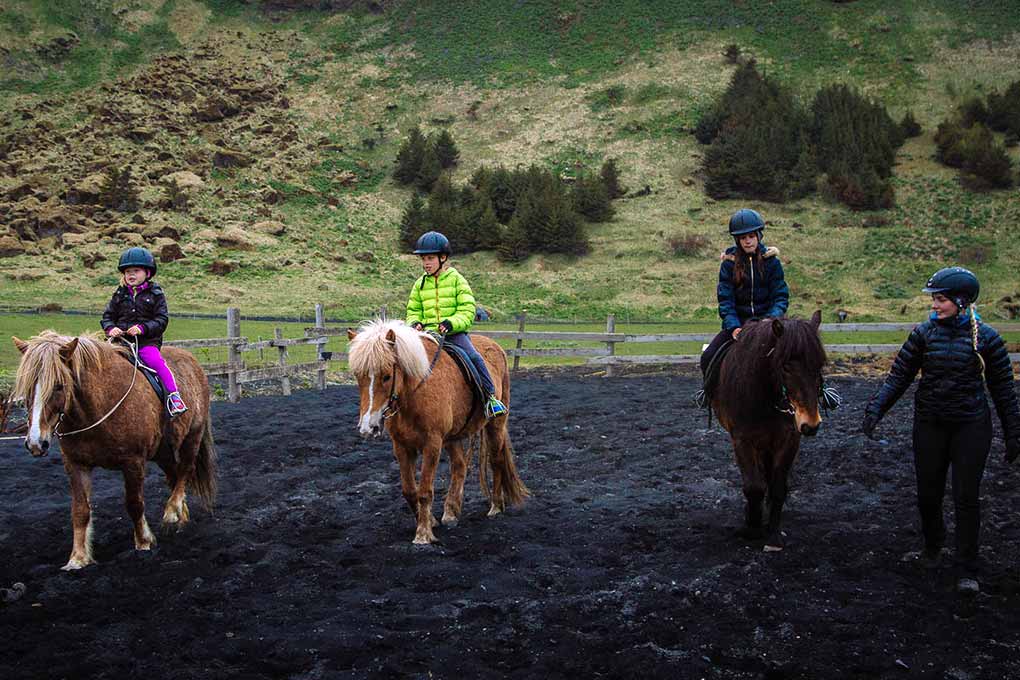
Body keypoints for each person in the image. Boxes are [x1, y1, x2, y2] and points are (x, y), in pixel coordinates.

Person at [862, 267, 1020, 593]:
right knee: (927, 496)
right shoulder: (924, 334)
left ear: (961, 302)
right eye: (934, 299)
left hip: (970, 428)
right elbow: (899, 376)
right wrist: (876, 409)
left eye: (941, 299)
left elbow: (1003, 389)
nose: (935, 305)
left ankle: (967, 569)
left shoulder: (987, 339)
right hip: (930, 425)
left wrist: (1013, 432)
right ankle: (933, 546)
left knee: (966, 498)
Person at [406, 231, 507, 419]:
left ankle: (490, 398)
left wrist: (451, 323)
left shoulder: (457, 280)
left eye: (430, 258)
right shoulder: (419, 284)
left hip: (452, 334)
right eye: (423, 259)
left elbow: (467, 309)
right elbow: (413, 310)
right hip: (427, 335)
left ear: (443, 258)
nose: (426, 263)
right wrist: (415, 322)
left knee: (474, 358)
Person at [697, 208, 789, 405]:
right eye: (743, 237)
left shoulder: (772, 263)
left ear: (758, 236)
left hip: (769, 323)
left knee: (800, 352)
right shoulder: (728, 266)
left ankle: (821, 393)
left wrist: (771, 319)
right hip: (739, 325)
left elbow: (780, 296)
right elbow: (725, 300)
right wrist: (733, 326)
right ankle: (709, 395)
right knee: (708, 356)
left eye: (751, 236)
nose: (748, 241)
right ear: (737, 240)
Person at [101, 246, 187, 417]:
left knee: (156, 362)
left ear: (147, 273)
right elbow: (107, 316)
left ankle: (174, 397)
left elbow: (161, 320)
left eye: (136, 270)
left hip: (145, 342)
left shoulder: (155, 294)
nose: (131, 275)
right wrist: (111, 328)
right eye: (127, 271)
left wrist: (143, 328)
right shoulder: (119, 294)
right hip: (120, 342)